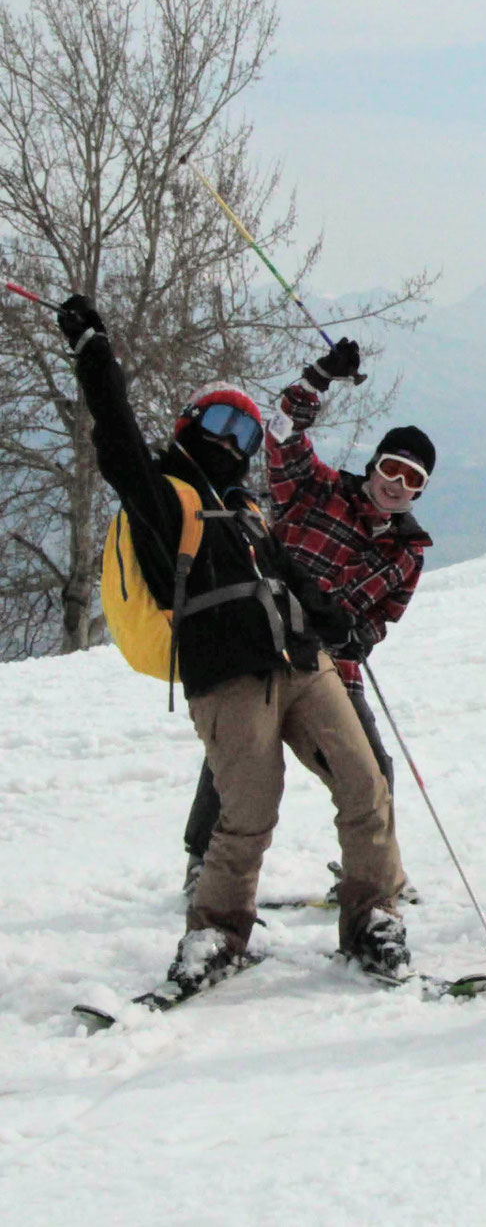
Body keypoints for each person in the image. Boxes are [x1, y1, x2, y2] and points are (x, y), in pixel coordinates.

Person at [57, 296, 408, 993]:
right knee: (248, 808)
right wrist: (95, 353)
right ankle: (216, 929)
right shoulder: (162, 497)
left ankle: (373, 916)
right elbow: (120, 440)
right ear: (190, 425)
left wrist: (332, 619)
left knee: (365, 783)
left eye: (245, 432)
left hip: (304, 664)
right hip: (227, 676)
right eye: (220, 421)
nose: (234, 440)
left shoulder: (246, 511)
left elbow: (288, 573)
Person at [179, 337, 433, 902]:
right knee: (238, 765)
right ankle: (204, 865)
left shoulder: (408, 551)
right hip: (260, 645)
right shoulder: (315, 488)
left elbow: (385, 616)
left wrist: (358, 637)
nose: (397, 484)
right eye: (392, 468)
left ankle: (369, 872)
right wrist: (320, 376)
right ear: (374, 465)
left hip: (331, 667)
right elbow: (283, 432)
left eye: (413, 481)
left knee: (371, 769)